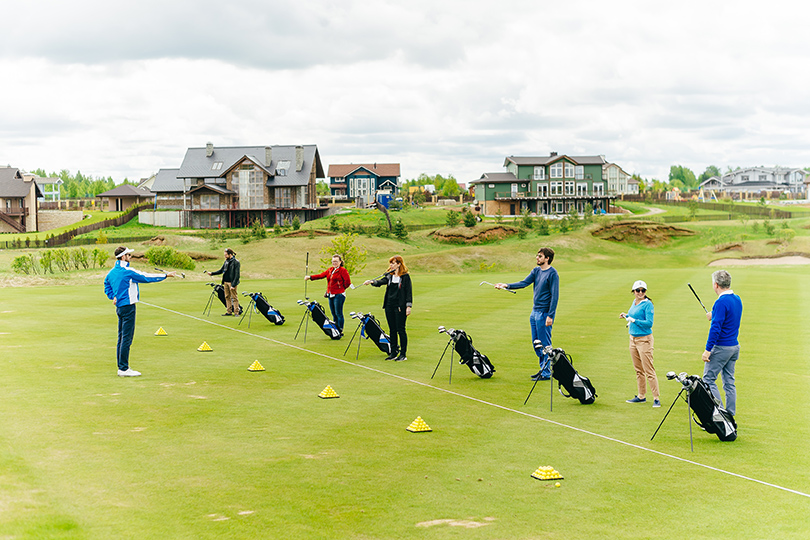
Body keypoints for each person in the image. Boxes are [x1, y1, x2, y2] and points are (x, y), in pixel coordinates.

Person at [104, 246, 176, 377]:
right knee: (126, 338)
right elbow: (146, 277)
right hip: (128, 306)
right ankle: (124, 369)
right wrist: (165, 275)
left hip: (120, 307)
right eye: (129, 255)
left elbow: (106, 284)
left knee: (121, 338)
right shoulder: (127, 271)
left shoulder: (112, 271)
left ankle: (122, 367)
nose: (131, 257)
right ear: (123, 257)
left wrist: (112, 296)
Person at [495, 247, 559, 381]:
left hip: (544, 313)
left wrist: (550, 316)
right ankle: (542, 369)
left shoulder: (553, 274)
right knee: (536, 343)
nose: (537, 258)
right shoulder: (536, 271)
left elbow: (555, 296)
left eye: (540, 256)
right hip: (534, 312)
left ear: (547, 258)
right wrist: (506, 285)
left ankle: (546, 372)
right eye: (537, 256)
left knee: (545, 343)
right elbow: (524, 283)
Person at [702, 270, 742, 417]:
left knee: (708, 380)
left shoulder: (720, 302)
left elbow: (716, 328)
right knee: (729, 383)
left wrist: (707, 350)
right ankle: (729, 415)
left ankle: (719, 415)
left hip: (722, 347)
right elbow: (729, 316)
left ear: (716, 284)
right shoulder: (736, 299)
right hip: (734, 347)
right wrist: (714, 314)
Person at [364, 255, 412, 361]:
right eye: (390, 263)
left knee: (401, 329)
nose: (391, 265)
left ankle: (403, 354)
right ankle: (393, 352)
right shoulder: (389, 276)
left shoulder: (405, 277)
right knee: (392, 329)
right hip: (389, 305)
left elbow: (409, 292)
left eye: (393, 263)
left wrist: (408, 306)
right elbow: (380, 282)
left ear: (399, 264)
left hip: (400, 306)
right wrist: (371, 282)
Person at [620, 280, 660, 407]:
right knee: (638, 370)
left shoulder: (648, 305)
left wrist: (634, 320)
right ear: (634, 292)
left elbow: (649, 323)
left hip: (644, 340)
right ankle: (641, 395)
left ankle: (656, 398)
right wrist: (627, 316)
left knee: (649, 370)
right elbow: (633, 316)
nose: (640, 293)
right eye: (638, 290)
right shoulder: (634, 302)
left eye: (643, 290)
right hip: (633, 339)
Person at [306, 254, 351, 333]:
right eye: (333, 261)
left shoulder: (343, 270)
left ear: (340, 262)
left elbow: (347, 282)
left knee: (338, 313)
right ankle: (336, 328)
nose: (334, 263)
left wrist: (341, 288)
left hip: (339, 294)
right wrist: (310, 277)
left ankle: (340, 329)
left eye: (336, 261)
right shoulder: (330, 269)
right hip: (330, 294)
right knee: (333, 313)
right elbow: (321, 275)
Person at [207, 248, 241, 316]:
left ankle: (236, 312)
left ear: (230, 254)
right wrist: (212, 273)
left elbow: (237, 275)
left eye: (226, 255)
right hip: (225, 282)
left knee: (234, 298)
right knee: (227, 297)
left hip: (232, 283)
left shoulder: (236, 262)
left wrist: (233, 285)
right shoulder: (226, 261)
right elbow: (221, 270)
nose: (225, 256)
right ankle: (229, 312)